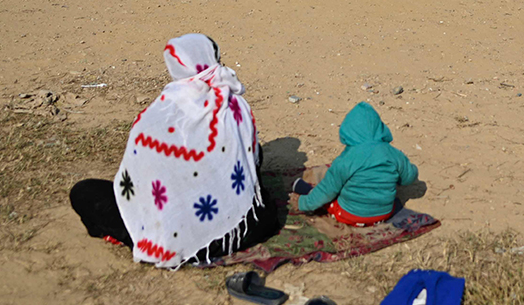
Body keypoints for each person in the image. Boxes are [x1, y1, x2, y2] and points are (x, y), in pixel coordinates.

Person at [69, 34, 280, 267]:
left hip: (187, 241)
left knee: (84, 192)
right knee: (247, 151)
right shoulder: (234, 102)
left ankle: (160, 241)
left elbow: (139, 179)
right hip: (251, 228)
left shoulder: (158, 116)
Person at [290, 102, 418, 227]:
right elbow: (408, 177)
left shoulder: (346, 160)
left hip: (350, 215)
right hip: (384, 214)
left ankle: (306, 190)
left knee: (329, 197)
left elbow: (326, 191)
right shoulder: (393, 153)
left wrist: (303, 204)